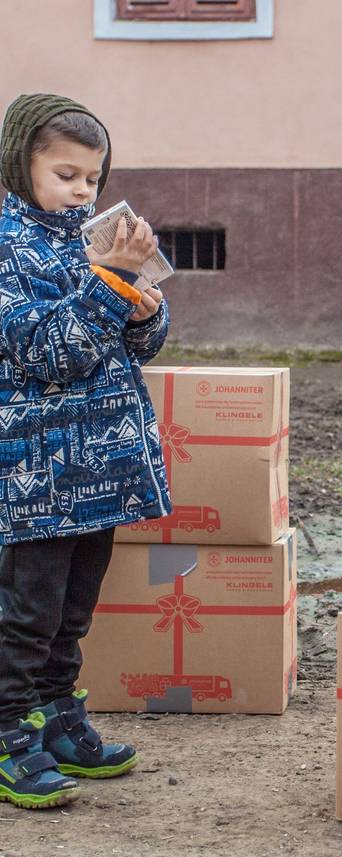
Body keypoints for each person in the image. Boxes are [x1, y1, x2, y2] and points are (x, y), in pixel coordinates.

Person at [0, 93, 171, 809]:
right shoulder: (8, 247)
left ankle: (60, 719)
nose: (81, 191)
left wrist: (146, 313)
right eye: (65, 173)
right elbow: (48, 351)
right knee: (25, 613)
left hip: (100, 468)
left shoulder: (90, 239)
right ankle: (11, 734)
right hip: (35, 474)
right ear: (18, 165)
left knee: (73, 610)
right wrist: (110, 285)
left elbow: (124, 347)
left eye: (92, 179)